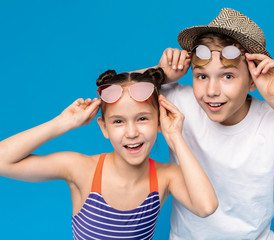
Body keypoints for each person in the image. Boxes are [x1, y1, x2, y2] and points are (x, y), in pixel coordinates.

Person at [138, 8, 274, 239]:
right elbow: (111, 94)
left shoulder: (271, 122)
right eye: (202, 76)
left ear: (253, 80)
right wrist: (158, 74)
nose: (211, 91)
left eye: (228, 76)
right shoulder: (180, 102)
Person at [0, 68, 218, 239]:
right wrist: (62, 123)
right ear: (104, 127)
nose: (132, 133)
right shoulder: (81, 169)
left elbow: (206, 206)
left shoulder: (165, 176)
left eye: (142, 119)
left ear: (159, 122)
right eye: (118, 122)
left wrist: (175, 137)